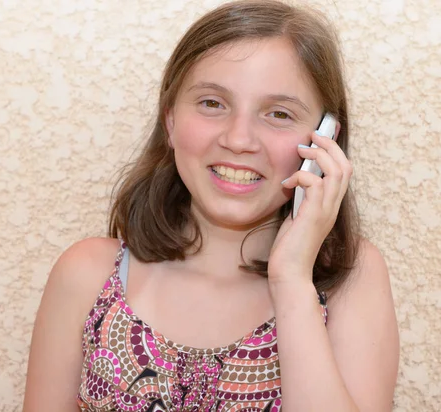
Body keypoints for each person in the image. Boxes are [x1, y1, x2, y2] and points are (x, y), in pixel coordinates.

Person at [23, 1, 399, 410]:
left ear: (324, 140)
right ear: (169, 121)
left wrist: (291, 281)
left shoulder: (350, 279)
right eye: (212, 104)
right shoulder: (87, 274)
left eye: (278, 113)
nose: (239, 139)